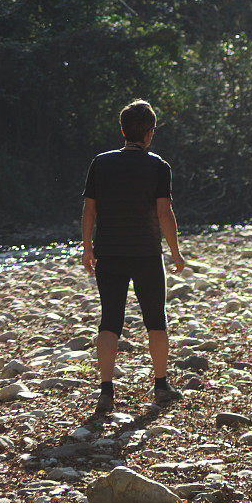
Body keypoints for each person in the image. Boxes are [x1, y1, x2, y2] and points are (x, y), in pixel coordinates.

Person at [81, 99, 185, 414]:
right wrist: (176, 252)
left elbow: (89, 209)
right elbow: (164, 213)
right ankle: (161, 384)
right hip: (146, 253)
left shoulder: (100, 162)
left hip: (109, 252)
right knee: (156, 318)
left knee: (110, 319)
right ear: (150, 132)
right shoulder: (158, 166)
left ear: (123, 130)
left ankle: (106, 390)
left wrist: (87, 248)